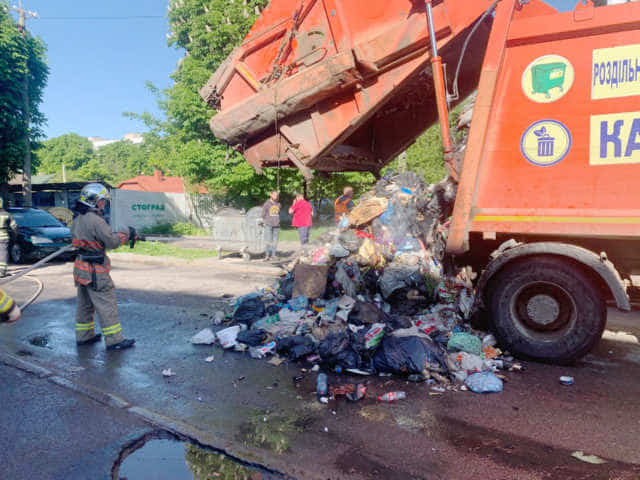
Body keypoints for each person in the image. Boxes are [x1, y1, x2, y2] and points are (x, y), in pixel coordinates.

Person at [71, 183, 135, 350]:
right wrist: (125, 235)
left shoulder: (78, 219)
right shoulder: (96, 221)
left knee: (85, 304)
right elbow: (112, 242)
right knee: (106, 304)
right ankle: (115, 340)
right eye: (102, 200)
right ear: (94, 201)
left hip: (81, 269)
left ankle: (84, 336)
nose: (104, 204)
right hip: (96, 271)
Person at [261, 191, 281, 260]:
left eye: (277, 195)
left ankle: (273, 255)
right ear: (271, 195)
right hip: (269, 225)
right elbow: (263, 214)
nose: (276, 196)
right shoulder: (266, 204)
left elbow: (278, 213)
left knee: (275, 241)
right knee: (268, 240)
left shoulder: (278, 204)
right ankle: (267, 255)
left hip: (277, 225)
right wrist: (266, 221)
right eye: (274, 195)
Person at [0, 198, 17, 278]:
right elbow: (14, 227)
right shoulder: (7, 214)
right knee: (3, 254)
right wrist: (14, 236)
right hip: (3, 237)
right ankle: (1, 272)